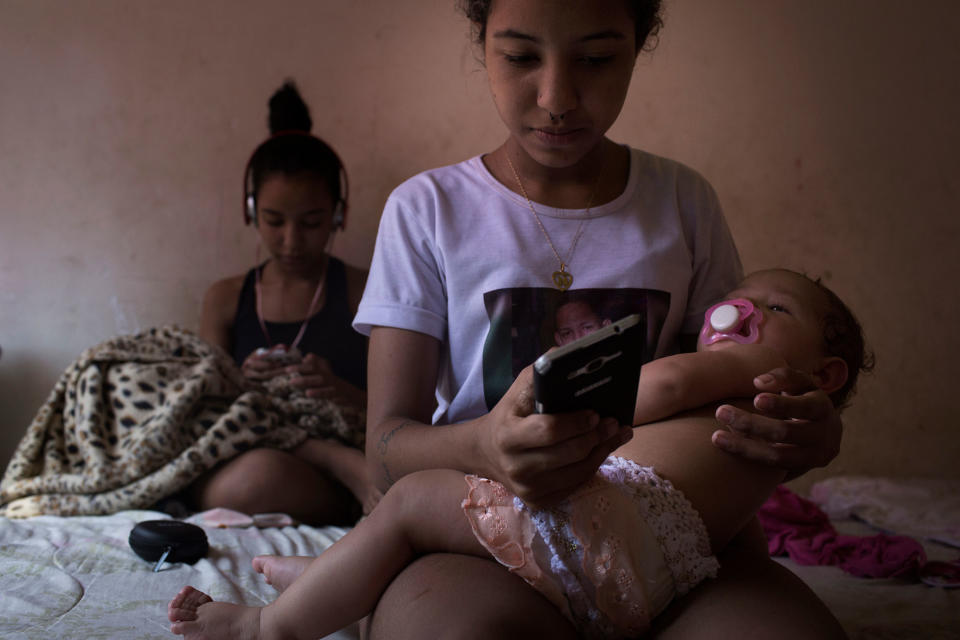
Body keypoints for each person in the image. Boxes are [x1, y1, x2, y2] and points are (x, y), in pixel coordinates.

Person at [167, 268, 872, 639]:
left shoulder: (736, 373)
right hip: (647, 576)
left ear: (826, 375)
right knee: (428, 522)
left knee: (414, 507)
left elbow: (662, 383)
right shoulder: (757, 413)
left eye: (775, 310)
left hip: (602, 518)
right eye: (741, 297)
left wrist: (566, 390)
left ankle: (271, 626)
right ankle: (332, 580)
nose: (742, 313)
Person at [186, 81, 378, 524]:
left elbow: (407, 412)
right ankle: (332, 460)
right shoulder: (226, 299)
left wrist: (340, 391)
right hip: (265, 459)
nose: (291, 241)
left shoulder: (363, 291)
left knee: (257, 482)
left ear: (338, 213)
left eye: (312, 222)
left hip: (329, 477)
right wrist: (240, 384)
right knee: (252, 478)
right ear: (250, 210)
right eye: (274, 221)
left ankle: (339, 467)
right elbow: (203, 415)